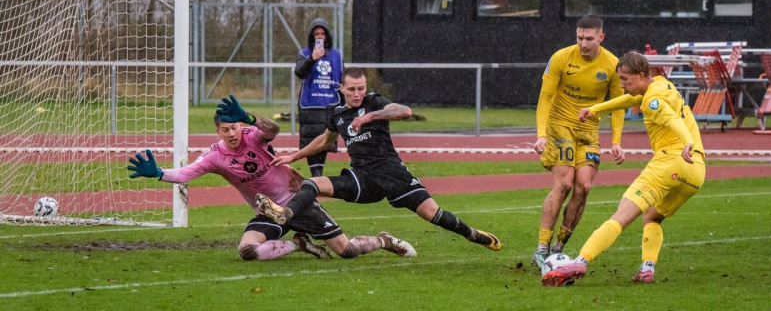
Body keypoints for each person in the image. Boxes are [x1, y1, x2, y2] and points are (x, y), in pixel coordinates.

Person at [127, 94, 416, 261]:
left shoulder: (253, 134)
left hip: (298, 201)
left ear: (241, 125)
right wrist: (158, 173)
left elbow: (272, 130)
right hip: (267, 209)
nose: (232, 133)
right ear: (217, 132)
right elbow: (186, 173)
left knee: (347, 250)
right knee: (246, 251)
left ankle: (383, 240)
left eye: (235, 127)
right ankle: (298, 245)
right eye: (225, 130)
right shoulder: (215, 156)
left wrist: (251, 119)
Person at [257, 67, 502, 251]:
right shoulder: (338, 114)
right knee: (312, 183)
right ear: (341, 89)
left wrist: (370, 116)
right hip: (362, 178)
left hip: (392, 173)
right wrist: (294, 156)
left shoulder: (374, 102)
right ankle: (286, 214)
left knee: (433, 214)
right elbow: (324, 140)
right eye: (351, 89)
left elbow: (404, 111)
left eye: (360, 88)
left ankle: (472, 234)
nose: (357, 93)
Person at [542, 51, 706, 286]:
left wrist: (686, 140)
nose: (621, 85)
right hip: (696, 171)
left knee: (620, 218)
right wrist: (597, 109)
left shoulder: (652, 100)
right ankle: (647, 268)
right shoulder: (661, 84)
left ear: (640, 75)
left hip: (671, 161)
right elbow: (631, 100)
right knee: (652, 216)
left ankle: (580, 261)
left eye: (625, 79)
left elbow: (671, 119)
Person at [531, 14, 626, 270]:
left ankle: (559, 248)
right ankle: (541, 249)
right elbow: (545, 97)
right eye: (579, 38)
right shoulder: (561, 58)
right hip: (559, 126)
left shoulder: (612, 65)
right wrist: (541, 133)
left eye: (589, 39)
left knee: (583, 186)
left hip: (588, 131)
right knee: (563, 184)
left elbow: (619, 105)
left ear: (601, 38)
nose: (583, 43)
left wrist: (616, 140)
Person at [294, 18, 343, 177]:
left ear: (327, 36)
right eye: (316, 34)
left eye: (322, 33)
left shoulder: (336, 55)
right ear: (312, 36)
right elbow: (300, 73)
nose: (320, 37)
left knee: (325, 142)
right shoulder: (304, 53)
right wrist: (312, 59)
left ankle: (318, 175)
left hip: (329, 105)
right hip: (310, 106)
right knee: (311, 142)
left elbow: (342, 79)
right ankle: (316, 176)